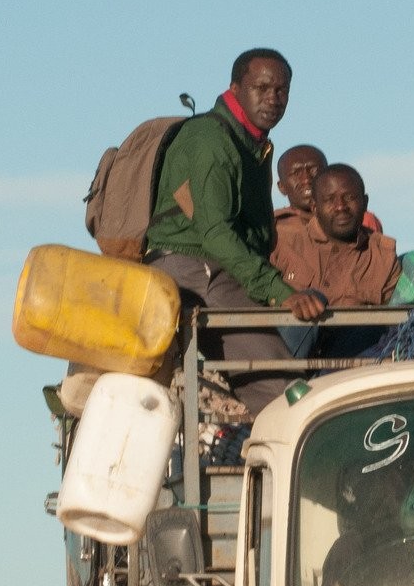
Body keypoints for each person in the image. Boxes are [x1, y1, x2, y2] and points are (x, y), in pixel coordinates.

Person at [144, 49, 326, 416]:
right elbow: (215, 232)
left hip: (222, 269)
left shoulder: (252, 142)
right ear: (236, 89)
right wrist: (279, 291)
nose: (273, 99)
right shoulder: (211, 139)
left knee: (289, 377)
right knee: (287, 394)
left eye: (282, 90)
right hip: (196, 267)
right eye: (262, 88)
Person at [271, 164, 399, 356]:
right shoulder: (281, 242)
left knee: (374, 327)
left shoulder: (384, 257)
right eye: (330, 200)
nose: (341, 207)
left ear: (365, 203)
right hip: (282, 357)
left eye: (349, 198)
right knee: (311, 298)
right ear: (314, 207)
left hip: (345, 363)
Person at [275, 143, 385, 237]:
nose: (306, 179)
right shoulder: (273, 227)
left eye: (314, 170)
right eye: (297, 173)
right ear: (281, 187)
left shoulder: (362, 220)